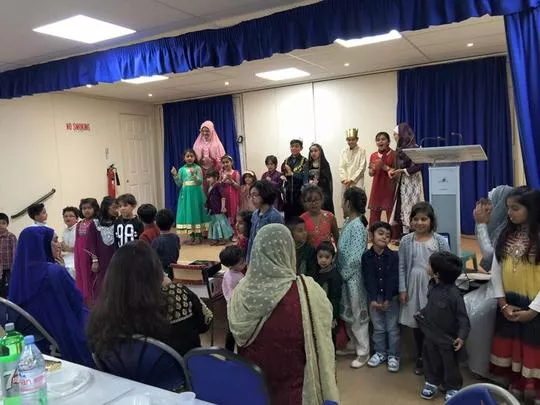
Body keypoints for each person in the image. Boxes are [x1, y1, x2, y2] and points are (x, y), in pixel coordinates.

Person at [229, 224, 339, 405]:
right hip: (294, 393)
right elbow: (324, 327)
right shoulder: (307, 291)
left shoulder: (240, 292)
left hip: (250, 390)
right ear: (289, 251)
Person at [87, 241, 213, 358]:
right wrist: (171, 286)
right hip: (181, 372)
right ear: (155, 268)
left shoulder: (105, 310)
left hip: (127, 374)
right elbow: (206, 321)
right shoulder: (177, 293)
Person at [9, 226, 92, 365]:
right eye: (54, 240)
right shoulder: (54, 272)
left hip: (38, 339)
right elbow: (77, 302)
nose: (59, 245)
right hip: (64, 330)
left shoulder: (18, 276)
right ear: (41, 245)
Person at [490, 186, 540, 402]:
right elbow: (496, 271)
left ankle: (531, 386)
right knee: (513, 346)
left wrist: (533, 310)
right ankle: (515, 382)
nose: (509, 213)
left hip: (534, 307)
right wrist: (502, 304)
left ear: (532, 208)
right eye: (508, 208)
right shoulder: (505, 235)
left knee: (532, 348)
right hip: (509, 304)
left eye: (515, 208)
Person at [466, 185, 513, 378]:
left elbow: (490, 254)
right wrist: (481, 223)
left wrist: (481, 224)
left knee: (477, 313)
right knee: (466, 304)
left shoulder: (517, 229)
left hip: (511, 290)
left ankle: (485, 367)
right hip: (497, 285)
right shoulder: (504, 225)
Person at [398, 202, 450, 375]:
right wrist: (403, 289)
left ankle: (434, 358)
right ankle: (420, 356)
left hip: (432, 286)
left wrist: (443, 287)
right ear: (411, 221)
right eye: (416, 219)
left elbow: (448, 264)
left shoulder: (439, 241)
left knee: (432, 322)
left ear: (431, 220)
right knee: (417, 323)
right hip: (413, 284)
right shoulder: (406, 241)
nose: (419, 223)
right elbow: (402, 266)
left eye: (424, 219)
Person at [417, 252, 470, 402]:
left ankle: (452, 386)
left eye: (429, 264)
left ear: (437, 273)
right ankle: (432, 382)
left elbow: (463, 318)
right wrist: (422, 312)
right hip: (430, 335)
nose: (427, 266)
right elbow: (430, 306)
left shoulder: (454, 295)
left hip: (447, 339)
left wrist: (461, 337)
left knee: (449, 364)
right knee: (430, 360)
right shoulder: (432, 286)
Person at [337, 186, 370, 368]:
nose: (341, 205)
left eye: (343, 201)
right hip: (344, 277)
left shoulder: (357, 226)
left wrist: (343, 275)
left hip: (353, 279)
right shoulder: (348, 223)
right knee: (347, 312)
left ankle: (363, 351)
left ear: (349, 203)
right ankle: (353, 343)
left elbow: (356, 258)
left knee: (357, 314)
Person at [362, 221, 400, 372]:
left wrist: (388, 299)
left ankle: (394, 355)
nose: (384, 237)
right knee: (378, 328)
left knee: (392, 328)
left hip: (391, 298)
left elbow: (393, 278)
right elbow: (368, 278)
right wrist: (372, 299)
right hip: (375, 298)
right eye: (381, 233)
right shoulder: (366, 257)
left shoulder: (393, 256)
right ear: (371, 235)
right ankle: (380, 353)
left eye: (388, 235)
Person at [390, 123, 424, 237]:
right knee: (402, 207)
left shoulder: (415, 148)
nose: (394, 136)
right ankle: (405, 235)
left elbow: (419, 166)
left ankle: (416, 234)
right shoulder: (399, 149)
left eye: (395, 134)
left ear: (402, 134)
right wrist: (394, 171)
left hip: (413, 182)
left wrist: (403, 170)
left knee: (412, 207)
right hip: (403, 181)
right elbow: (397, 167)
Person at [171, 148, 209, 245]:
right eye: (187, 156)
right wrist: (175, 175)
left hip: (196, 194)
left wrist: (194, 175)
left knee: (196, 212)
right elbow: (179, 184)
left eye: (191, 156)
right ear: (184, 158)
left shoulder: (197, 168)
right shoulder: (181, 170)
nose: (189, 158)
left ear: (194, 157)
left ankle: (198, 236)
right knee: (189, 213)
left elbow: (200, 181)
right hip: (186, 195)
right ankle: (192, 236)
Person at [473, 185, 514, 271]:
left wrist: (481, 224)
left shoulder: (515, 231)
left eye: (492, 202)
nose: (490, 207)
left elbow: (491, 256)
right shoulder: (502, 226)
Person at [85, 197, 118, 302]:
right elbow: (91, 242)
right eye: (114, 207)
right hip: (102, 258)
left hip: (117, 257)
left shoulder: (118, 221)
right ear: (106, 207)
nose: (116, 210)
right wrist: (95, 261)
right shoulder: (95, 223)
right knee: (103, 282)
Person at [246, 180, 284, 261]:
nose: (252, 199)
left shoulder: (275, 216)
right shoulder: (255, 214)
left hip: (270, 257)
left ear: (264, 193)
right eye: (250, 196)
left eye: (254, 195)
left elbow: (279, 242)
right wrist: (249, 259)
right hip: (256, 255)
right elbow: (251, 239)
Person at [313, 242, 342, 346]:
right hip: (318, 311)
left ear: (333, 258)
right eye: (320, 257)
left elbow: (335, 298)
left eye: (327, 257)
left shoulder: (335, 276)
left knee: (329, 336)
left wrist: (333, 317)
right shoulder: (316, 273)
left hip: (330, 313)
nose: (323, 260)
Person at [219, 245, 246, 351]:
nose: (244, 264)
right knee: (234, 331)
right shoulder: (235, 277)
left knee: (231, 329)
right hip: (236, 307)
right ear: (231, 265)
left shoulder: (229, 273)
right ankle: (231, 352)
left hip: (231, 306)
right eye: (241, 263)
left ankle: (228, 351)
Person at [74, 198, 99, 304]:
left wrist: (95, 259)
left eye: (89, 208)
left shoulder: (96, 222)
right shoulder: (79, 224)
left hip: (91, 254)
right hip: (80, 255)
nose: (86, 210)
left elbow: (97, 241)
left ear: (95, 208)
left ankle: (93, 301)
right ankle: (84, 300)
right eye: (84, 208)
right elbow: (77, 241)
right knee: (82, 275)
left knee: (91, 276)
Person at [368, 132, 396, 226]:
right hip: (377, 187)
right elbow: (370, 173)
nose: (380, 141)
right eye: (378, 140)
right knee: (374, 215)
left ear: (388, 141)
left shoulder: (394, 154)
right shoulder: (373, 155)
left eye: (383, 139)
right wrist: (372, 170)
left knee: (391, 215)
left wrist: (384, 167)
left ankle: (393, 234)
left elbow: (396, 172)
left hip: (389, 187)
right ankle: (373, 233)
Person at [300, 184, 339, 248]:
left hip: (327, 253)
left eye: (316, 200)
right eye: (309, 200)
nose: (313, 203)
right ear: (304, 203)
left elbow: (337, 238)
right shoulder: (301, 220)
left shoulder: (330, 217)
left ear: (322, 200)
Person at [193, 120, 226, 192]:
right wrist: (199, 161)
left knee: (213, 192)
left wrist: (215, 161)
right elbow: (194, 160)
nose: (204, 133)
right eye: (202, 131)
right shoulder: (197, 144)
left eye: (207, 131)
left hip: (214, 172)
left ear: (211, 131)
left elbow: (223, 160)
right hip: (201, 172)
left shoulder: (217, 144)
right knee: (203, 192)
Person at [282, 139, 308, 220]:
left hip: (299, 192)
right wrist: (282, 176)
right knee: (288, 218)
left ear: (301, 148)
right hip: (288, 193)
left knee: (300, 218)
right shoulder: (286, 160)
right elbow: (283, 173)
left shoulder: (305, 161)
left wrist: (292, 174)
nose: (294, 148)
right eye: (292, 146)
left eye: (296, 146)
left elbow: (305, 177)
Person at [206, 169, 234, 246]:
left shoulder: (218, 185)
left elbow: (223, 196)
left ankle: (223, 238)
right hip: (212, 208)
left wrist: (223, 207)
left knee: (220, 223)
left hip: (218, 208)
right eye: (207, 177)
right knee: (214, 223)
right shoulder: (210, 187)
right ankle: (216, 238)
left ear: (215, 177)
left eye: (209, 177)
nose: (208, 179)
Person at [151, 208, 180, 280]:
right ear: (173, 223)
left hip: (161, 273)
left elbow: (153, 259)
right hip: (174, 270)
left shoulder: (156, 241)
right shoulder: (176, 237)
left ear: (156, 224)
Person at [308, 143, 335, 214]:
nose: (313, 153)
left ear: (320, 152)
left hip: (323, 195)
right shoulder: (307, 165)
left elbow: (328, 180)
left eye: (315, 151)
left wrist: (319, 182)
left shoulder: (325, 164)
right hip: (310, 194)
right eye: (311, 151)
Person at [220, 155, 241, 231]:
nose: (225, 164)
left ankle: (235, 232)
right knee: (225, 212)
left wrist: (232, 181)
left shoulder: (236, 173)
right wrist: (224, 179)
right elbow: (219, 185)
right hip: (224, 196)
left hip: (233, 196)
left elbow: (238, 187)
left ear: (231, 162)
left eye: (227, 162)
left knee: (233, 212)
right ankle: (227, 232)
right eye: (223, 163)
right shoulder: (221, 173)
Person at [0, 213, 17, 298]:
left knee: (12, 284)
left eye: (3, 223)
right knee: (1, 285)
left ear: (7, 224)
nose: (1, 225)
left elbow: (15, 252)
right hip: (0, 267)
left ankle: (12, 299)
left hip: (10, 266)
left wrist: (14, 266)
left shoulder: (11, 236)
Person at [61, 206, 80, 279]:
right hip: (68, 256)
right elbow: (64, 247)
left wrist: (69, 249)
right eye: (65, 216)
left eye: (71, 216)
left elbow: (83, 247)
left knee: (69, 268)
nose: (68, 218)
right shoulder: (65, 231)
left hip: (77, 256)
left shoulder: (79, 229)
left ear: (77, 218)